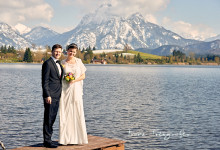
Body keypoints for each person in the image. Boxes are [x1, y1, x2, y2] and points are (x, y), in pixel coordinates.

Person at [59, 43, 88, 145]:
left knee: (77, 111)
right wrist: (66, 79)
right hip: (65, 90)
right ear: (67, 51)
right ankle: (65, 139)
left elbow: (83, 76)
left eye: (74, 52)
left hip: (76, 90)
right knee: (65, 113)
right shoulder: (62, 62)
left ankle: (79, 138)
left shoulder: (79, 62)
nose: (72, 53)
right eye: (70, 51)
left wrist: (74, 80)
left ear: (76, 52)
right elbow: (60, 76)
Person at [42, 44, 63, 148]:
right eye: (56, 51)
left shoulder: (59, 64)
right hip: (50, 96)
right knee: (48, 118)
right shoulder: (47, 63)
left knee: (53, 118)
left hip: (58, 95)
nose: (58, 53)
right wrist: (47, 95)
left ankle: (49, 139)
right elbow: (44, 81)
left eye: (59, 52)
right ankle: (47, 141)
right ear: (52, 52)